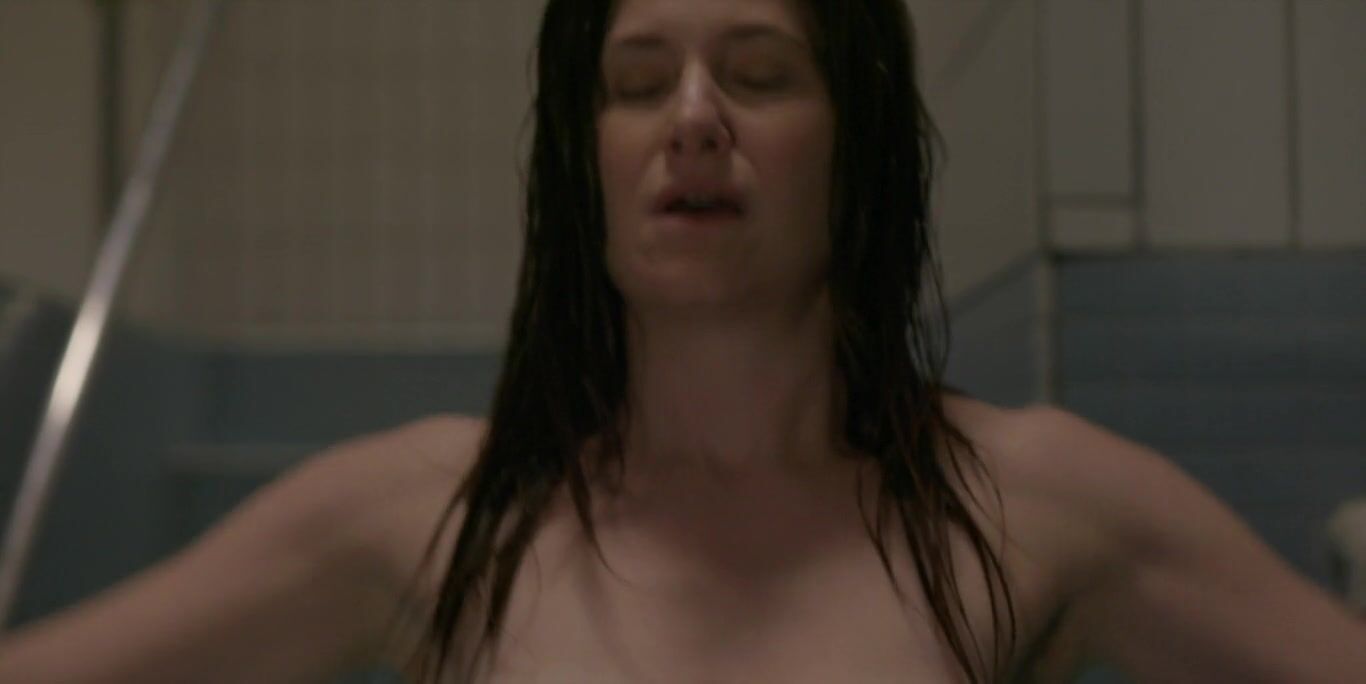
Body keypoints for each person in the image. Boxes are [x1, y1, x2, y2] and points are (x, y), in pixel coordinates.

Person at [1, 0, 1363, 681]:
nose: (694, 119)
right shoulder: (425, 516)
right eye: (636, 82)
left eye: (759, 74)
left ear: (856, 149)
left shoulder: (1039, 505)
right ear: (581, 163)